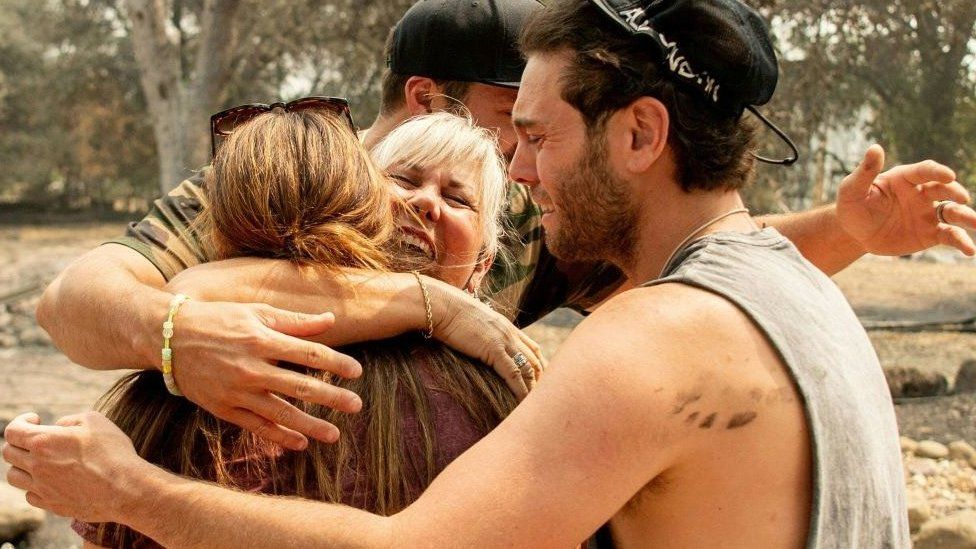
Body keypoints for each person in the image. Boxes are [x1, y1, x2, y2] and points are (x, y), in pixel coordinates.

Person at [5, 0, 953, 546]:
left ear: (640, 134)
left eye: (533, 137)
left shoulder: (643, 326)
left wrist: (131, 491)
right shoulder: (279, 178)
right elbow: (88, 298)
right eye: (516, 129)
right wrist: (184, 332)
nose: (523, 168)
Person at [75, 109, 523, 548]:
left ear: (484, 265)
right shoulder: (203, 344)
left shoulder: (500, 384)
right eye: (404, 180)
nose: (425, 202)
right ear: (355, 206)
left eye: (459, 199)